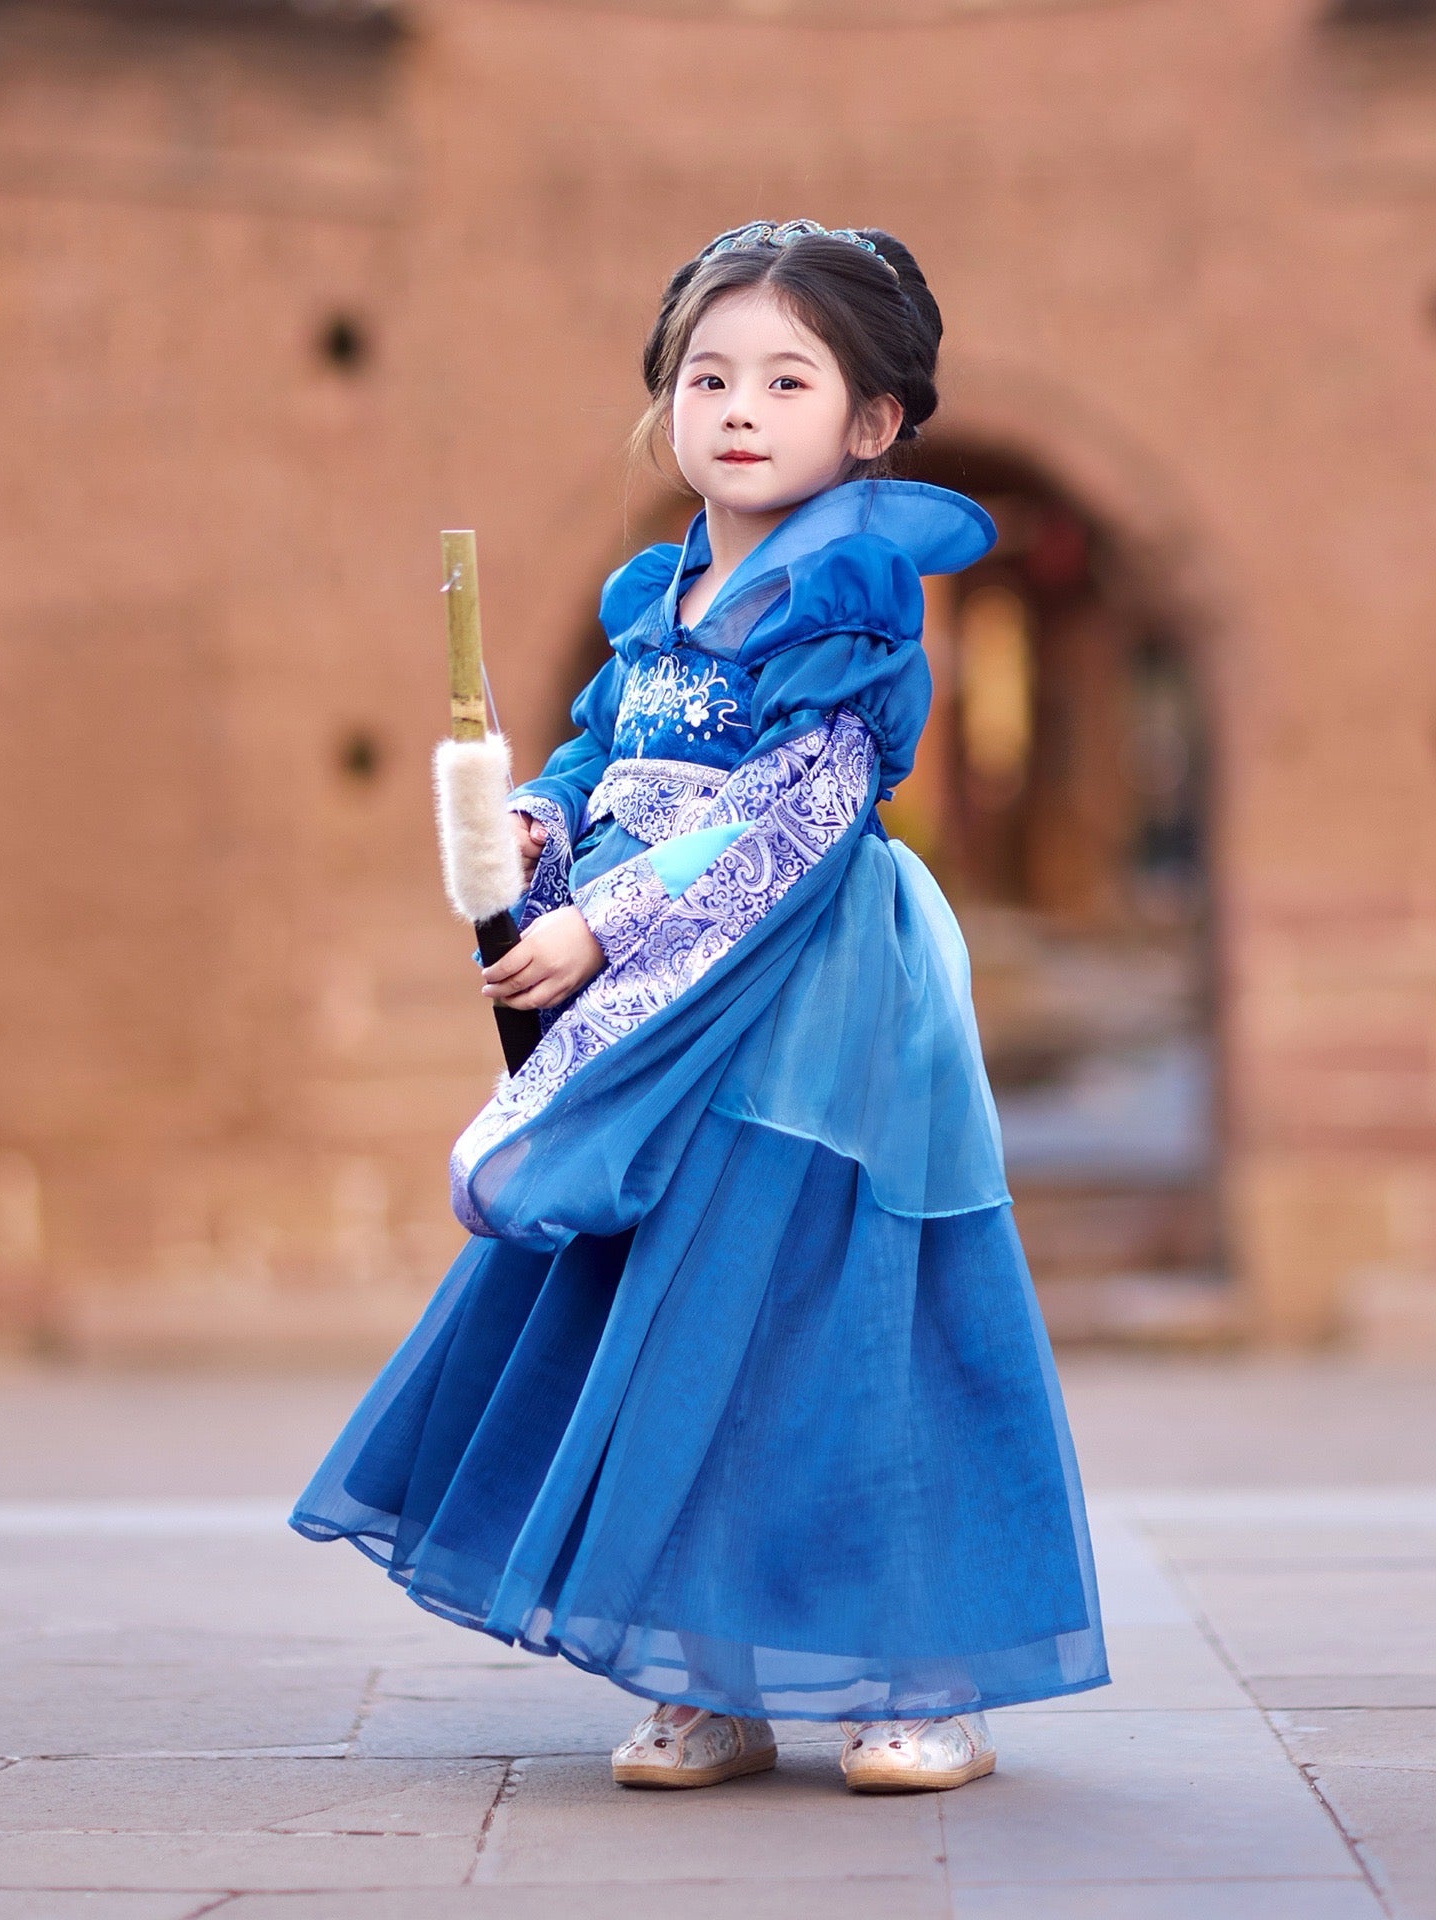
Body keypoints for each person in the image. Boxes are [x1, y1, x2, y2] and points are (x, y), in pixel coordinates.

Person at [291, 218, 1109, 1795]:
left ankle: (912, 1676)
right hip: (667, 1003)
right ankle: (701, 1667)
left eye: (786, 380)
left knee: (832, 1312)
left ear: (870, 424)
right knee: (667, 1316)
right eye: (708, 374)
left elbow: (804, 801)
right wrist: (533, 827)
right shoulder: (657, 597)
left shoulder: (853, 593)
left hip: (815, 1005)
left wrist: (608, 924)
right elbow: (609, 762)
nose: (738, 406)